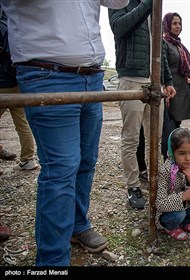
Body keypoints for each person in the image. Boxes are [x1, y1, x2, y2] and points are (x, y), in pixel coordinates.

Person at [0, 0, 130, 266]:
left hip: (92, 77)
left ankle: (77, 225)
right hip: (47, 72)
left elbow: (120, 2)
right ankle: (53, 261)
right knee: (61, 168)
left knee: (85, 161)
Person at [108, 0, 176, 210]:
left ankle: (155, 180)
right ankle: (133, 187)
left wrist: (168, 81)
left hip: (155, 83)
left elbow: (161, 49)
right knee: (130, 138)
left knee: (154, 138)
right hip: (131, 79)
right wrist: (147, 4)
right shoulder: (121, 3)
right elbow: (119, 28)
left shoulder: (154, 9)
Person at [0, 7, 38, 171]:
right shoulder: (14, 27)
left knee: (22, 123)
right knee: (22, 123)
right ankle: (28, 159)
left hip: (2, 83)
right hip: (16, 83)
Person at [156, 127, 190, 240]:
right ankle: (171, 227)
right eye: (181, 153)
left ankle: (184, 224)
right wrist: (183, 197)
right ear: (172, 152)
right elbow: (159, 204)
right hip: (167, 214)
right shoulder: (165, 171)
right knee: (178, 214)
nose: (188, 158)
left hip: (186, 208)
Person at [162, 12, 190, 129]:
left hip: (182, 90)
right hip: (170, 90)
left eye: (179, 23)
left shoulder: (178, 44)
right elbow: (163, 67)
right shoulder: (164, 43)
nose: (178, 26)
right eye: (174, 23)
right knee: (167, 125)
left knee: (176, 125)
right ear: (167, 25)